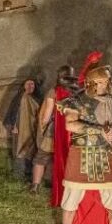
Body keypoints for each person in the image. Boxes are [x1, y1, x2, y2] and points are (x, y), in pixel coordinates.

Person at [50, 60, 112, 224]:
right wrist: (100, 130)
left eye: (106, 82)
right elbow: (70, 125)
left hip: (108, 155)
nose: (103, 86)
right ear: (90, 83)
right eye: (99, 82)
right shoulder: (76, 100)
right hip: (81, 154)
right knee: (71, 197)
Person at [34, 65, 75, 195]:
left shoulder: (54, 91)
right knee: (68, 159)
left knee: (41, 157)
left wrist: (42, 126)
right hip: (72, 131)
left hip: (54, 131)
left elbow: (46, 115)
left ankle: (35, 186)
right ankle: (67, 188)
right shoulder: (77, 91)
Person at [3, 77, 42, 182]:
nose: (30, 86)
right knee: (19, 149)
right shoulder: (19, 98)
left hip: (34, 129)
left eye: (32, 84)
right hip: (21, 128)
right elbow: (13, 111)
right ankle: (18, 175)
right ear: (24, 86)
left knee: (32, 149)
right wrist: (13, 125)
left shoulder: (37, 98)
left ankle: (30, 174)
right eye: (27, 84)